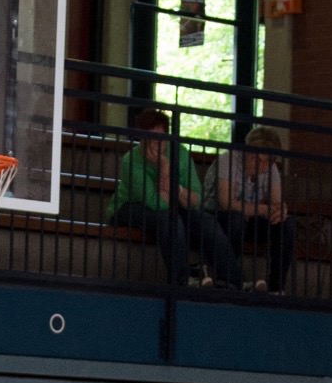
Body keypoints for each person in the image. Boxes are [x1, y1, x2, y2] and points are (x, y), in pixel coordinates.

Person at [105, 106, 234, 289]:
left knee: (204, 220)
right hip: (128, 208)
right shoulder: (131, 160)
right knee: (170, 219)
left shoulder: (180, 153)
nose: (157, 143)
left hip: (169, 205)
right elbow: (158, 204)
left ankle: (233, 280)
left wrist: (175, 189)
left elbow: (196, 199)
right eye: (150, 137)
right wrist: (164, 167)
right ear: (141, 139)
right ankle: (183, 280)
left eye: (162, 137)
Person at [216, 125, 295, 293]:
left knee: (287, 224)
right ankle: (230, 281)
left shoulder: (271, 169)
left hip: (252, 222)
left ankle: (276, 288)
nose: (261, 165)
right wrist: (263, 210)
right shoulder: (228, 160)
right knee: (235, 219)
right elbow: (226, 203)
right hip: (220, 219)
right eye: (256, 158)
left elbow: (276, 203)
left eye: (266, 161)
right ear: (247, 150)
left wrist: (279, 211)